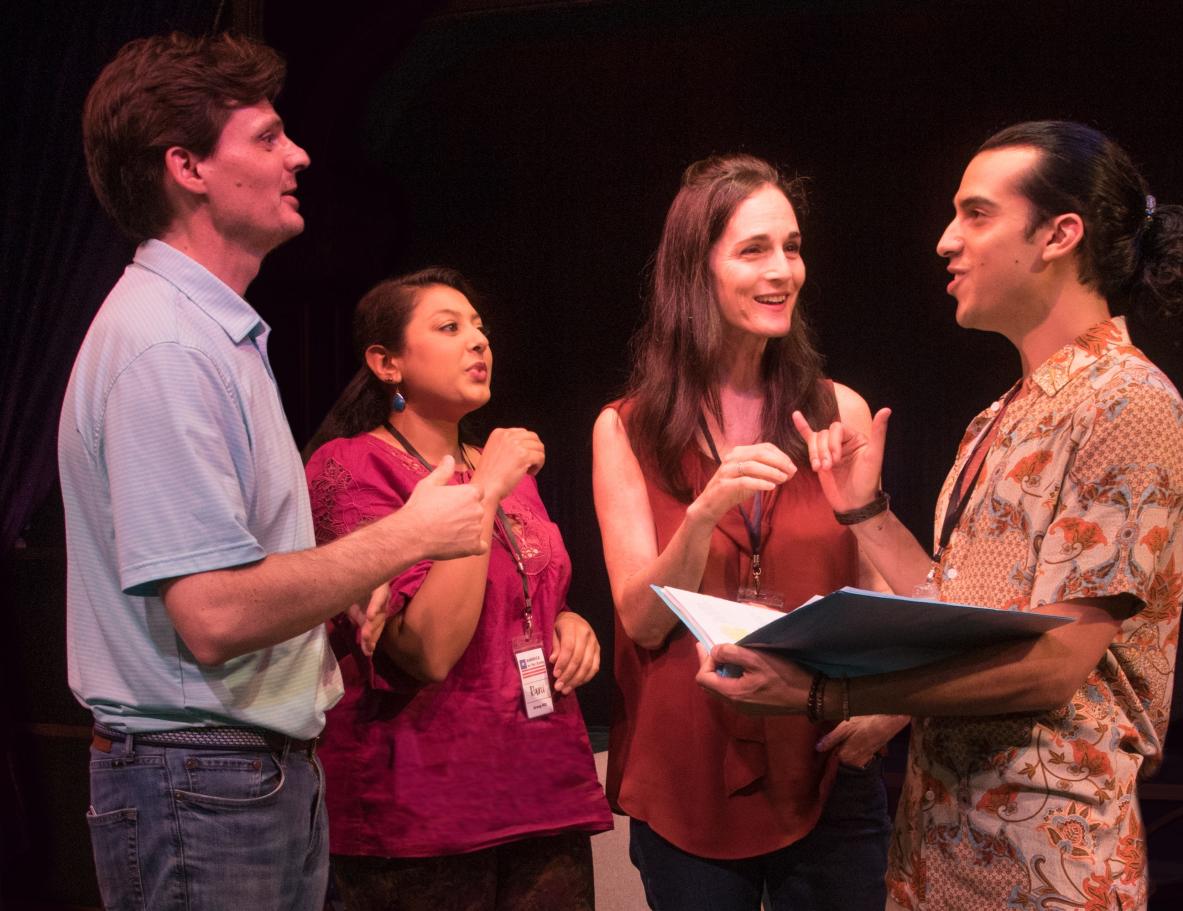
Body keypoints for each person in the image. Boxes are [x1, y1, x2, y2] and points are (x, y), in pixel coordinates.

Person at [696, 122, 1183, 910]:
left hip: (1045, 867)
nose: (945, 241)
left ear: (1058, 234)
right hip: (943, 848)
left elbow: (1054, 663)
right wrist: (864, 514)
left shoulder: (1125, 403)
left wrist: (821, 697)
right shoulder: (1001, 413)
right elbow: (963, 612)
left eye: (975, 214)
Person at [61, 33, 486, 911]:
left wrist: (335, 589)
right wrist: (402, 538)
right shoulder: (166, 347)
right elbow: (212, 614)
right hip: (200, 781)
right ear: (186, 166)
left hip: (241, 774)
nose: (295, 155)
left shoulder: (213, 333)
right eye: (265, 137)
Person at [592, 153, 907, 910]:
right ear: (694, 271)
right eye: (753, 249)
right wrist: (703, 512)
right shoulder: (626, 428)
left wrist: (889, 705)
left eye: (791, 246)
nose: (782, 271)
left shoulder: (840, 412)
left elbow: (881, 597)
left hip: (824, 752)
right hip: (687, 768)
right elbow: (639, 616)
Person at [304, 267, 613, 911]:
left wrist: (565, 622)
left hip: (537, 783)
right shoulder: (351, 465)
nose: (478, 341)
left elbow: (519, 592)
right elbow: (426, 651)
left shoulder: (497, 469)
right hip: (421, 805)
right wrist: (487, 488)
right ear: (386, 363)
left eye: (480, 328)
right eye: (450, 328)